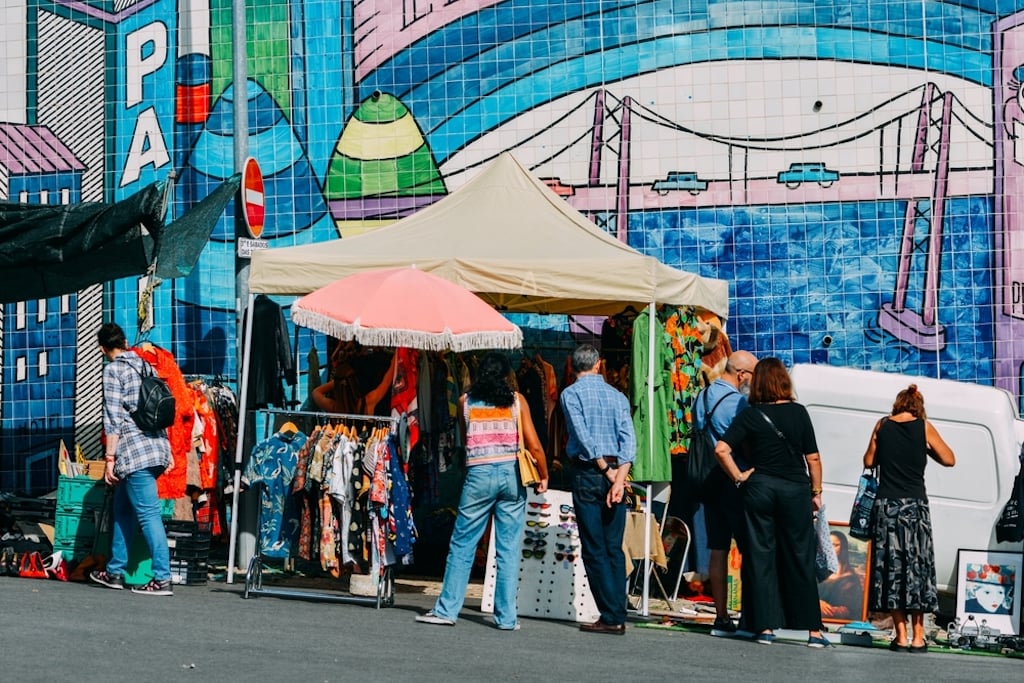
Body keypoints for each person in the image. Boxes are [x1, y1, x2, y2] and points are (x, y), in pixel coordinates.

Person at [416, 352, 548, 630]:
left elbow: (466, 441)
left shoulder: (465, 402)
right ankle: (506, 618)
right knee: (507, 548)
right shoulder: (517, 401)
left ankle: (447, 610)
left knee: (463, 543)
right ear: (507, 375)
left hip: (478, 475)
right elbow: (535, 446)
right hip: (511, 475)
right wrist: (544, 476)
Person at [714, 357, 830, 647]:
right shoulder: (799, 412)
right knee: (799, 557)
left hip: (760, 488)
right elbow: (813, 458)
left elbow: (721, 449)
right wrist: (816, 491)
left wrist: (739, 477)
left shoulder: (751, 414)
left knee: (760, 556)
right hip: (794, 490)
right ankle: (813, 632)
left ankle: (765, 627)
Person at [863, 384, 955, 652]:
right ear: (918, 407)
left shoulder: (882, 425)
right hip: (915, 507)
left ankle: (901, 635)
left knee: (891, 568)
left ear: (897, 404)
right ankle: (918, 636)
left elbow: (869, 462)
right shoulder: (924, 427)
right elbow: (949, 459)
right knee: (917, 569)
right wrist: (925, 449)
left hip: (887, 507)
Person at [90, 322, 175, 596]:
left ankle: (162, 579)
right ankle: (115, 571)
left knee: (148, 515)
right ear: (125, 342)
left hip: (134, 453)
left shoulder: (113, 370)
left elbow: (113, 418)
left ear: (102, 349)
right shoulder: (146, 366)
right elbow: (160, 408)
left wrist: (110, 458)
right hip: (157, 448)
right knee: (123, 509)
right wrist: (169, 451)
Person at [560, 344, 636, 635]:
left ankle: (611, 614)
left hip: (591, 472)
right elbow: (628, 440)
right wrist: (618, 478)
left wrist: (607, 471)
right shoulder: (618, 396)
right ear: (598, 364)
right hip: (616, 471)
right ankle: (617, 610)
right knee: (613, 546)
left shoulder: (571, 394)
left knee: (594, 547)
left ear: (573, 365)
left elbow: (583, 436)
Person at [694, 350, 757, 636]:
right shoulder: (739, 403)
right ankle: (749, 614)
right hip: (735, 478)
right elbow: (745, 441)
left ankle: (721, 615)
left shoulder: (702, 396)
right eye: (753, 374)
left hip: (708, 480)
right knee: (748, 547)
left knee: (717, 549)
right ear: (742, 374)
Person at [818, 530, 865, 621]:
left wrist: (834, 611)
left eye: (835, 545)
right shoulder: (817, 571)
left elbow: (852, 610)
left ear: (843, 548)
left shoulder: (851, 580)